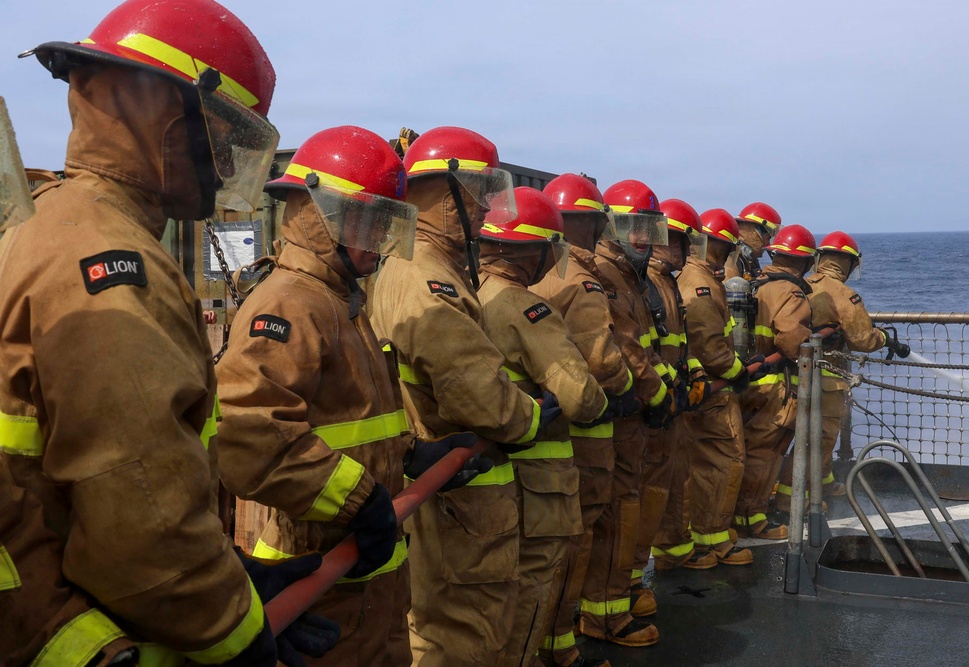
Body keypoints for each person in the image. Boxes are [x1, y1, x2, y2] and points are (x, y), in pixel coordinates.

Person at [0, 1, 338, 664]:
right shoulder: (115, 266)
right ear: (161, 113)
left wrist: (232, 568)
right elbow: (142, 522)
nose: (223, 161)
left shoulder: (46, 222)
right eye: (220, 132)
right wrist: (237, 632)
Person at [214, 126, 488, 665]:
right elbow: (253, 441)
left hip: (370, 575)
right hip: (319, 573)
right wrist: (361, 499)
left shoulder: (340, 303)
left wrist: (410, 454)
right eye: (366, 220)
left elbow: (356, 418)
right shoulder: (292, 304)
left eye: (385, 222)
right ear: (323, 218)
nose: (379, 237)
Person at [369, 126, 561, 667]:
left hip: (452, 500)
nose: (485, 211)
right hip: (460, 505)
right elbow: (474, 392)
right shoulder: (428, 278)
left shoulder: (416, 267)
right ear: (442, 192)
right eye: (477, 195)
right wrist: (530, 415)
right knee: (464, 634)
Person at [477, 186, 621, 666]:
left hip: (488, 479)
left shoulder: (469, 295)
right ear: (534, 250)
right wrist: (608, 403)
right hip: (537, 481)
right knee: (532, 585)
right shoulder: (524, 308)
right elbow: (580, 395)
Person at [531, 173, 639, 667]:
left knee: (557, 537)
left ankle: (557, 641)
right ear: (592, 222)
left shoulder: (540, 273)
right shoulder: (582, 278)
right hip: (588, 427)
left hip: (548, 431)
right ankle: (562, 645)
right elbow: (601, 355)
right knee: (580, 530)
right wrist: (639, 392)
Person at [574, 178, 674, 648]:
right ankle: (605, 616)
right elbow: (624, 350)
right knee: (615, 512)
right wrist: (657, 395)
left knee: (624, 508)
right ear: (607, 225)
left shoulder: (629, 274)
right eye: (631, 226)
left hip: (631, 418)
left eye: (647, 228)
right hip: (618, 418)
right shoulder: (605, 275)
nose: (642, 238)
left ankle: (618, 596)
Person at [774, 231, 893, 511]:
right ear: (849, 263)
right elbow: (862, 338)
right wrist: (885, 339)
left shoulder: (799, 283)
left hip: (789, 376)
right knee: (820, 438)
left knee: (799, 435)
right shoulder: (842, 294)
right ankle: (791, 499)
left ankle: (822, 483)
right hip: (825, 379)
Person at [677, 209, 755, 567]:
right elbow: (710, 346)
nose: (726, 256)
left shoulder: (696, 278)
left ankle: (705, 535)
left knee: (702, 465)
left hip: (702, 390)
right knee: (725, 461)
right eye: (724, 248)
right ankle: (713, 539)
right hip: (714, 392)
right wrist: (739, 371)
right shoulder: (701, 286)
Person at [733, 224, 816, 540]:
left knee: (748, 449)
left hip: (749, 382)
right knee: (765, 454)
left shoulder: (757, 284)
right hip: (774, 388)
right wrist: (815, 337)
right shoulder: (791, 292)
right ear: (806, 261)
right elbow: (792, 341)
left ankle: (736, 514)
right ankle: (752, 520)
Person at [646, 199, 710, 571]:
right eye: (683, 243)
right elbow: (646, 348)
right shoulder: (652, 285)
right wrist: (670, 387)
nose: (687, 253)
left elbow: (678, 344)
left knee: (673, 476)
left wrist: (695, 372)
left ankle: (673, 546)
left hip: (672, 400)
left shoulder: (666, 284)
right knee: (652, 486)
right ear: (665, 241)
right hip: (659, 402)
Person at [725, 202, 782, 280]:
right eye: (767, 238)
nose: (768, 244)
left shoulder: (749, 261)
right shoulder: (731, 262)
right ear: (755, 232)